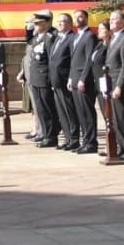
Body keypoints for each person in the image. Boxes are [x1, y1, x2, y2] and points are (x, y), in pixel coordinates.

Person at [106, 10, 124, 160]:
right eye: (110, 19)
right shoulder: (113, 37)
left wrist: (119, 86)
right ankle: (120, 147)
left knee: (122, 118)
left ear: (122, 22)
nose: (111, 21)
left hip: (119, 83)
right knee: (116, 119)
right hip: (110, 82)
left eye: (115, 19)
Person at [26, 11, 57, 148]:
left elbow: (51, 60)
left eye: (38, 23)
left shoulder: (50, 37)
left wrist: (51, 79)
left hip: (44, 78)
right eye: (35, 23)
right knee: (40, 109)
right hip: (35, 78)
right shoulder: (37, 38)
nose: (36, 26)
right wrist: (28, 29)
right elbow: (29, 42)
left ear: (46, 23)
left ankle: (51, 136)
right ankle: (45, 133)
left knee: (47, 109)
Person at [69, 9, 98, 154]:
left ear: (86, 18)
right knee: (80, 112)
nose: (78, 19)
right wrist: (70, 77)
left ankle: (91, 142)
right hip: (74, 78)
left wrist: (83, 78)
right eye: (76, 17)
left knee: (87, 112)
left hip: (84, 80)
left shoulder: (89, 36)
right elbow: (73, 60)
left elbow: (89, 60)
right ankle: (85, 141)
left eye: (80, 17)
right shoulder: (76, 36)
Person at [49, 13, 78, 150]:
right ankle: (67, 138)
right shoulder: (58, 38)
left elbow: (73, 60)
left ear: (70, 24)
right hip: (56, 80)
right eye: (58, 21)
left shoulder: (72, 38)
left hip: (65, 79)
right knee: (61, 112)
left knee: (69, 110)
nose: (60, 24)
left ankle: (74, 138)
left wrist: (71, 77)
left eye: (63, 21)